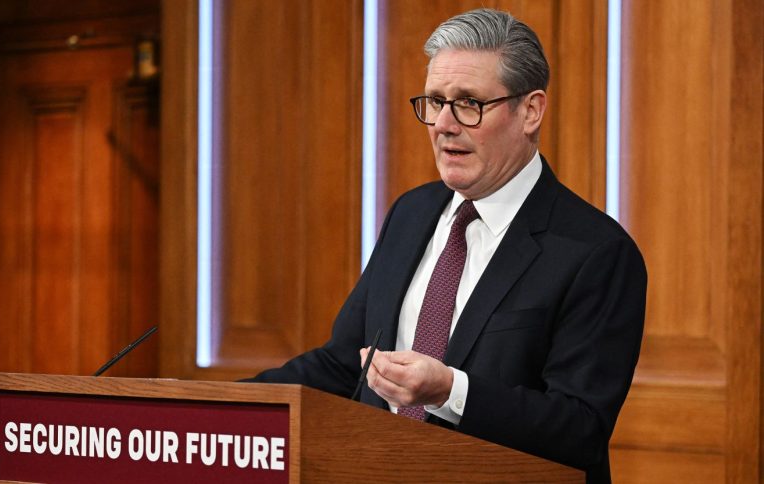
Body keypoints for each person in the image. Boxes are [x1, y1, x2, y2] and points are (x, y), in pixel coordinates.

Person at [247, 8, 646, 483]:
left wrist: (449, 391)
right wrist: (222, 410)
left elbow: (580, 427)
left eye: (469, 103)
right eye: (435, 102)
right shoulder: (411, 213)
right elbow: (344, 363)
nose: (443, 124)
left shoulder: (595, 252)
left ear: (531, 111)